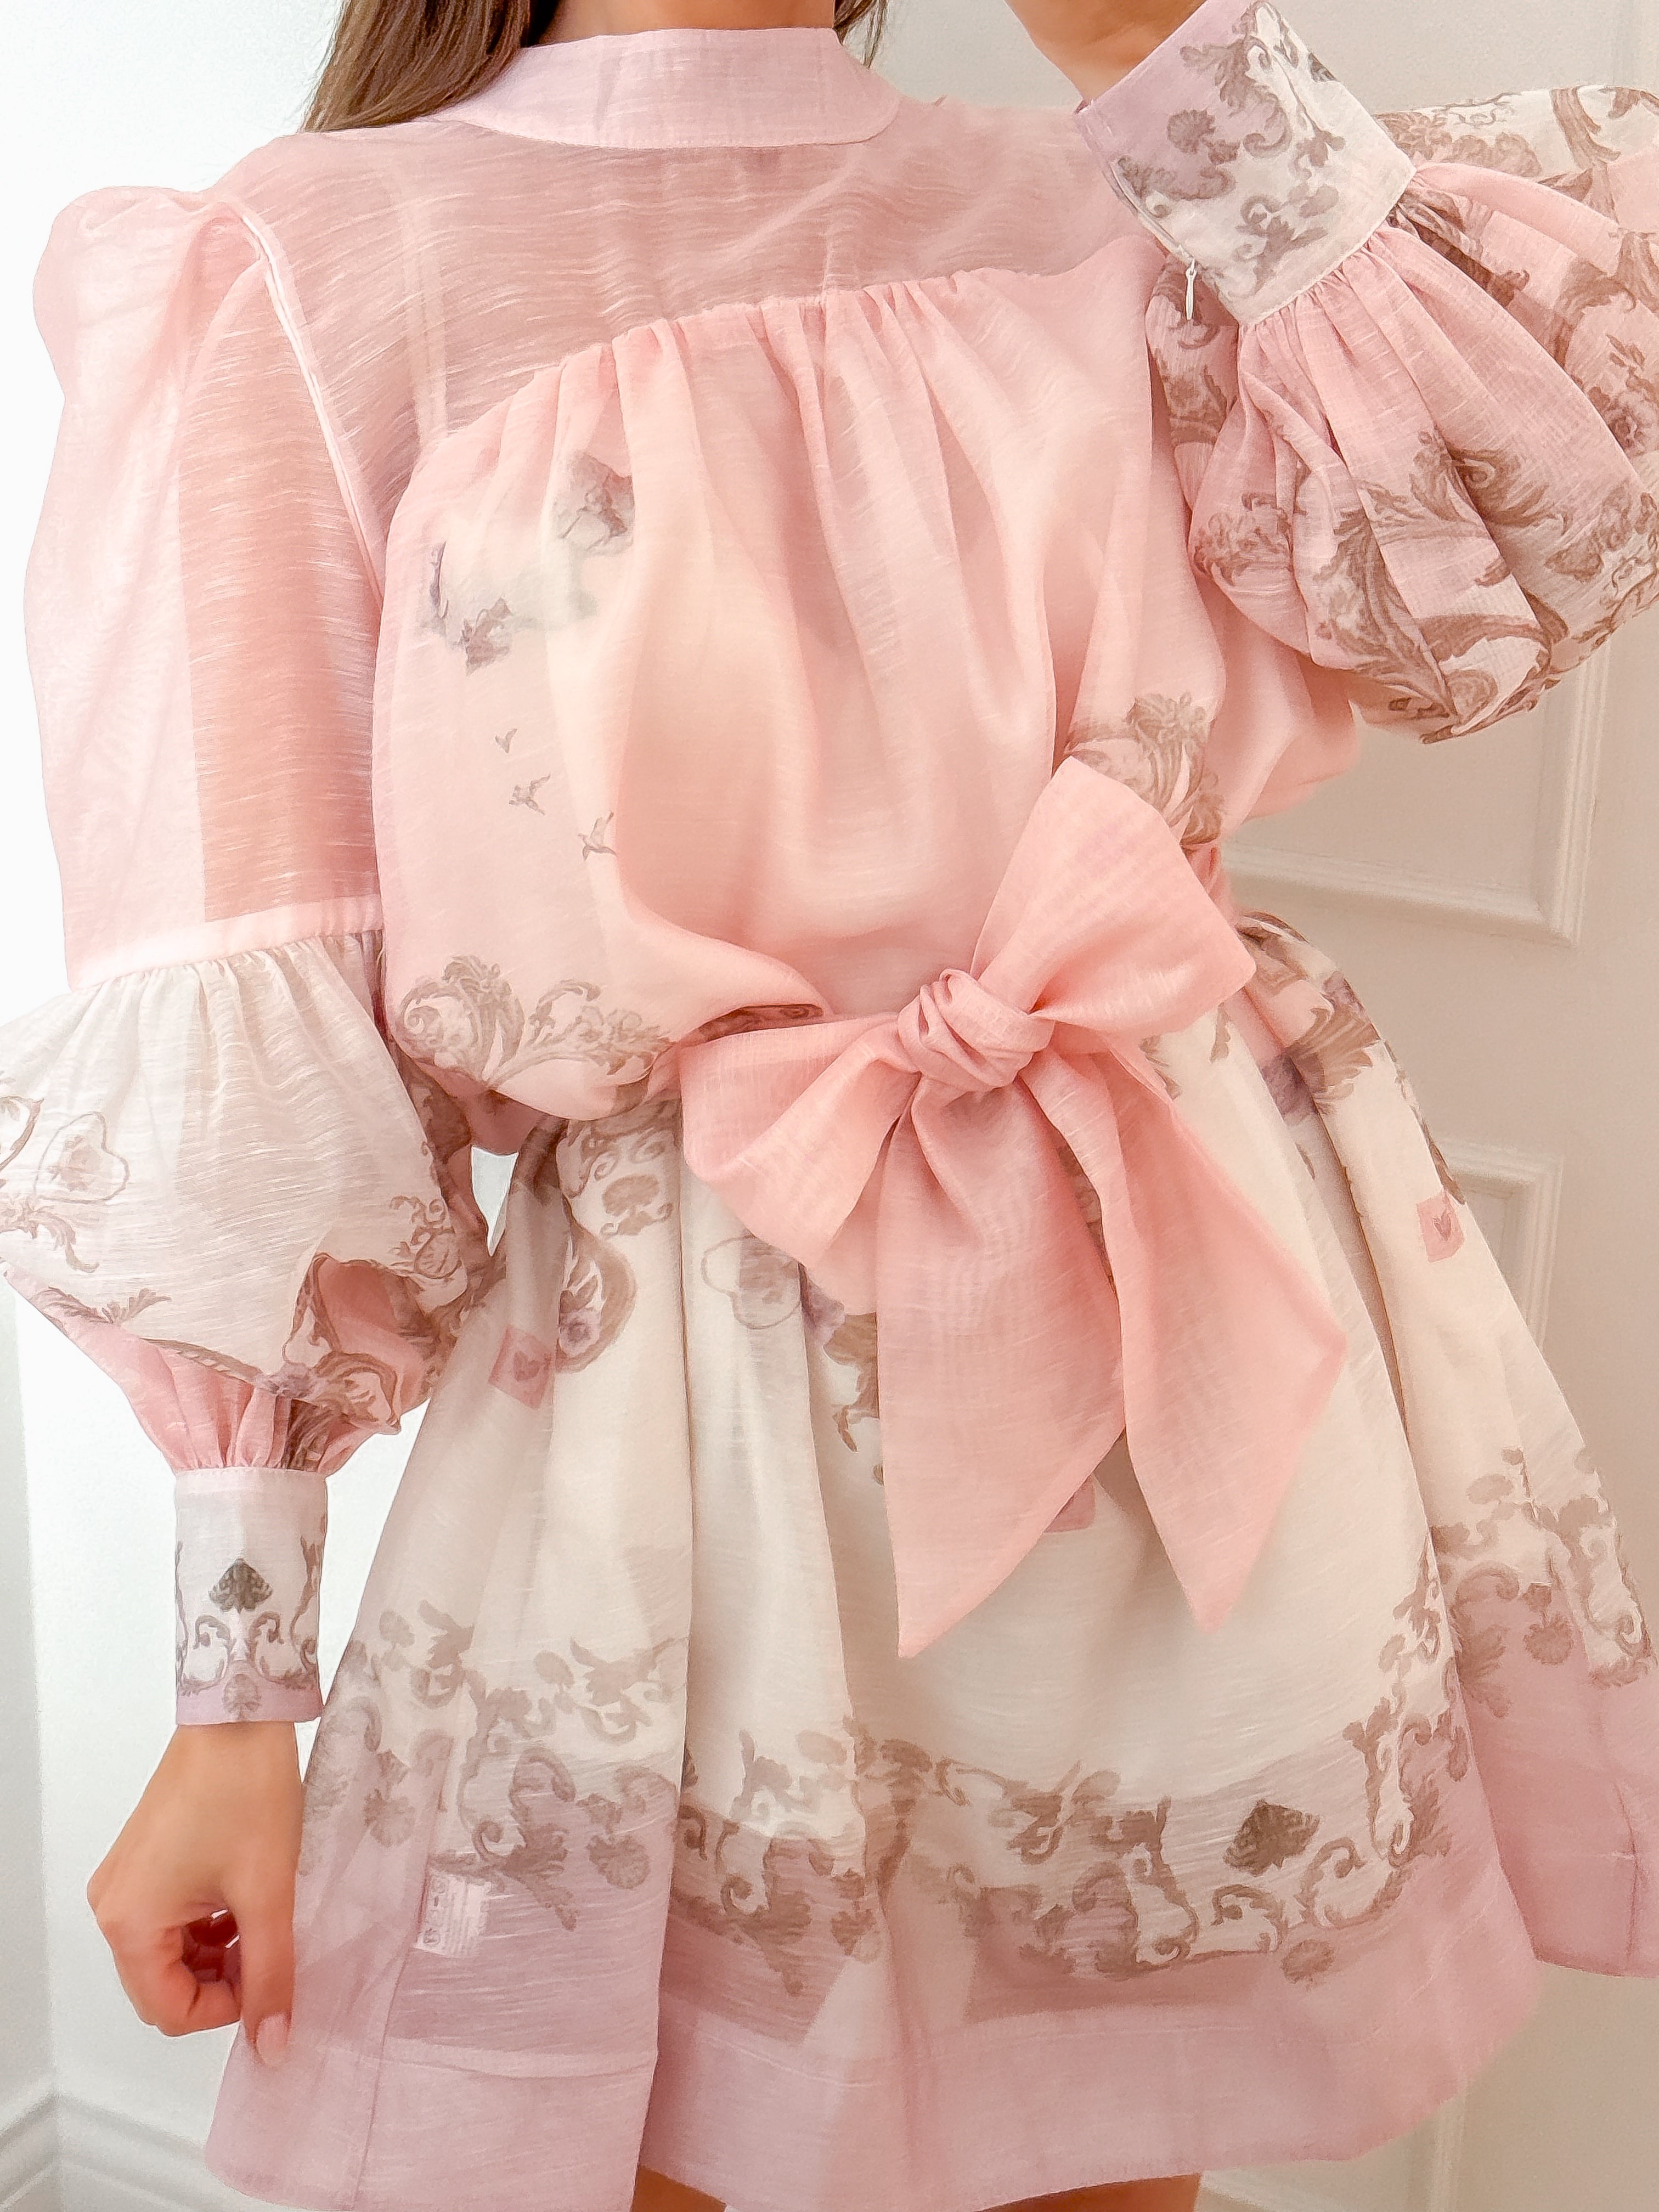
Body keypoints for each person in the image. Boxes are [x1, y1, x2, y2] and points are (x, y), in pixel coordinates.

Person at [6, 0, 1659, 2207]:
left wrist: (1180, 67)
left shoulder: (1118, 186)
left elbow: (1526, 531)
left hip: (1181, 1303)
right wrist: (238, 1695)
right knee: (675, 2132)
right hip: (699, 1409)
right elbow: (248, 971)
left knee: (1113, 2129)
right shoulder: (316, 260)